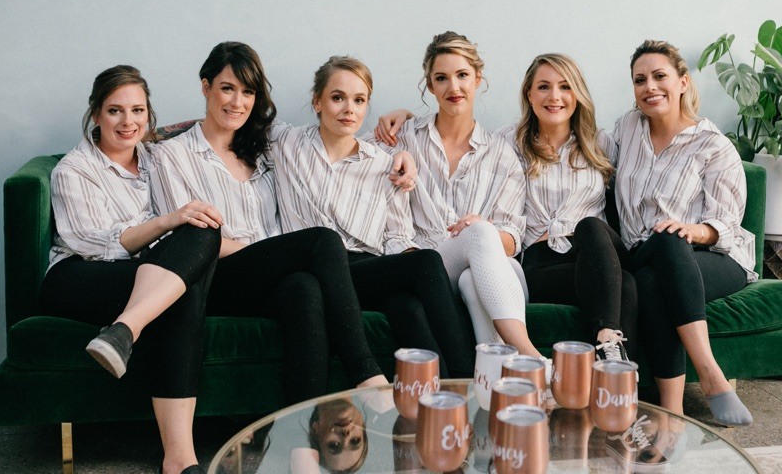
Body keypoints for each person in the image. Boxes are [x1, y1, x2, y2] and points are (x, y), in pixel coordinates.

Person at [150, 42, 389, 407]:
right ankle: (365, 370)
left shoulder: (262, 149)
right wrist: (269, 256)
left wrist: (400, 145)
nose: (237, 102)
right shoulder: (173, 155)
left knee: (305, 288)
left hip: (265, 278)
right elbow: (184, 241)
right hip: (213, 275)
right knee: (324, 241)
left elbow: (343, 135)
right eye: (227, 88)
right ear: (205, 87)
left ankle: (303, 442)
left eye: (248, 92)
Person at [41, 65, 222, 474]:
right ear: (96, 114)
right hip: (79, 276)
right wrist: (165, 222)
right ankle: (178, 457)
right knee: (182, 267)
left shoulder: (159, 157)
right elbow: (92, 244)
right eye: (115, 111)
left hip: (148, 273)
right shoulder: (73, 170)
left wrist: (403, 119)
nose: (129, 122)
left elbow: (203, 128)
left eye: (138, 111)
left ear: (149, 114)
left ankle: (122, 334)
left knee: (204, 232)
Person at [268, 56, 475, 378]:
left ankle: (443, 401)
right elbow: (230, 121)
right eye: (338, 98)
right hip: (314, 268)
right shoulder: (285, 142)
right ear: (317, 102)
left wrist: (404, 261)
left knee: (410, 301)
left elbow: (396, 235)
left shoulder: (384, 163)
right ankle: (470, 384)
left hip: (364, 269)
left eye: (359, 100)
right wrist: (160, 135)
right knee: (425, 265)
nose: (349, 109)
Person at [612, 40, 755, 427]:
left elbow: (727, 222)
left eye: (659, 76)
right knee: (660, 245)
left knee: (659, 270)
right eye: (640, 80)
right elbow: (586, 162)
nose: (649, 87)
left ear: (682, 82)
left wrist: (695, 230)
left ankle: (673, 412)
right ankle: (710, 377)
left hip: (714, 258)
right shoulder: (626, 130)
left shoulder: (713, 145)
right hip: (643, 249)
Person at [375, 32, 541, 358]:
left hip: (487, 273)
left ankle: (489, 379)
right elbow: (350, 150)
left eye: (462, 75)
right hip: (425, 270)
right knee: (479, 235)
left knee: (472, 273)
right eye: (442, 78)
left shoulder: (501, 153)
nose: (453, 88)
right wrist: (398, 117)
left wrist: (485, 234)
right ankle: (528, 356)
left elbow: (512, 237)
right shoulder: (402, 138)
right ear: (430, 85)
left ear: (478, 79)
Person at [496, 53, 637, 360]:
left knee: (588, 226)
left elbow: (653, 142)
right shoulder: (508, 142)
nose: (555, 96)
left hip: (598, 250)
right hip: (541, 264)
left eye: (565, 87)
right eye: (544, 87)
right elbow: (459, 134)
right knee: (624, 286)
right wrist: (405, 118)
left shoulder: (601, 142)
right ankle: (620, 385)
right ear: (529, 94)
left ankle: (606, 339)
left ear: (577, 94)